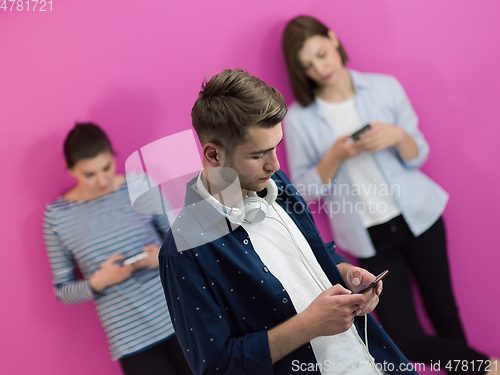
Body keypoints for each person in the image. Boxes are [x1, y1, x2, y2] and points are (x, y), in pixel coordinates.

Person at [159, 69, 419, 375]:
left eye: (276, 146)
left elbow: (311, 252)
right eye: (259, 154)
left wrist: (345, 273)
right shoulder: (183, 252)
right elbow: (218, 366)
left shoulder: (277, 182)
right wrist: (309, 325)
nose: (275, 163)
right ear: (214, 155)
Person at [282, 15, 498, 374]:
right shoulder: (299, 119)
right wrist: (334, 157)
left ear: (333, 39)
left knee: (446, 313)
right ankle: (489, 368)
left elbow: (419, 155)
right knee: (404, 336)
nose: (320, 68)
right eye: (307, 65)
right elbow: (304, 194)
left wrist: (397, 136)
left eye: (321, 54)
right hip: (371, 240)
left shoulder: (384, 88)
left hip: (418, 218)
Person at [43, 123, 193, 375]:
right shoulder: (57, 217)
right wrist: (98, 282)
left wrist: (159, 258)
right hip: (130, 341)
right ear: (69, 170)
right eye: (89, 174)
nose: (101, 180)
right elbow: (62, 290)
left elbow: (182, 245)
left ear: (113, 156)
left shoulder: (140, 185)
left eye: (106, 167)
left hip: (181, 317)